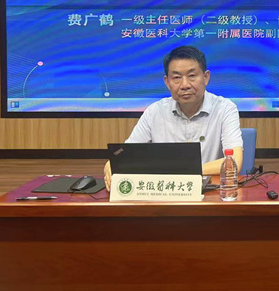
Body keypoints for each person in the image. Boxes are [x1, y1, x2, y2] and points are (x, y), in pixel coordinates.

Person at [103, 46, 243, 189]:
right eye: (177, 78)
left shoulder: (225, 109)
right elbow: (125, 155)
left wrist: (183, 170)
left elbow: (234, 162)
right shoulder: (155, 112)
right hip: (164, 193)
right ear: (167, 82)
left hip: (210, 193)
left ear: (206, 77)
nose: (185, 85)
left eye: (192, 76)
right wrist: (112, 164)